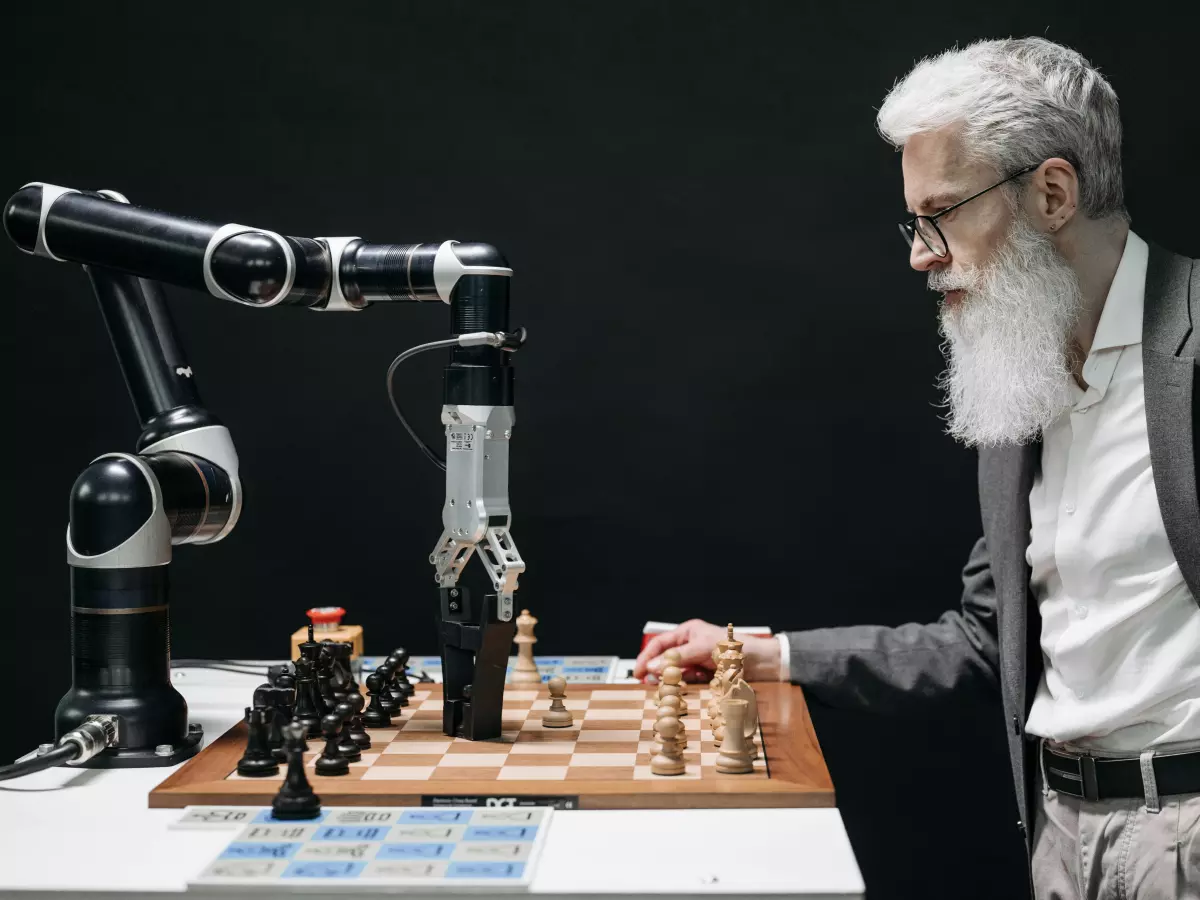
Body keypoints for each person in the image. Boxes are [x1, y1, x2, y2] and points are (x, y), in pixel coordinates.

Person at [634, 37, 1198, 900]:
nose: (920, 253)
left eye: (942, 212)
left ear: (1052, 193)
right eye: (915, 220)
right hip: (1059, 836)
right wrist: (762, 652)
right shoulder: (1021, 385)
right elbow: (983, 641)